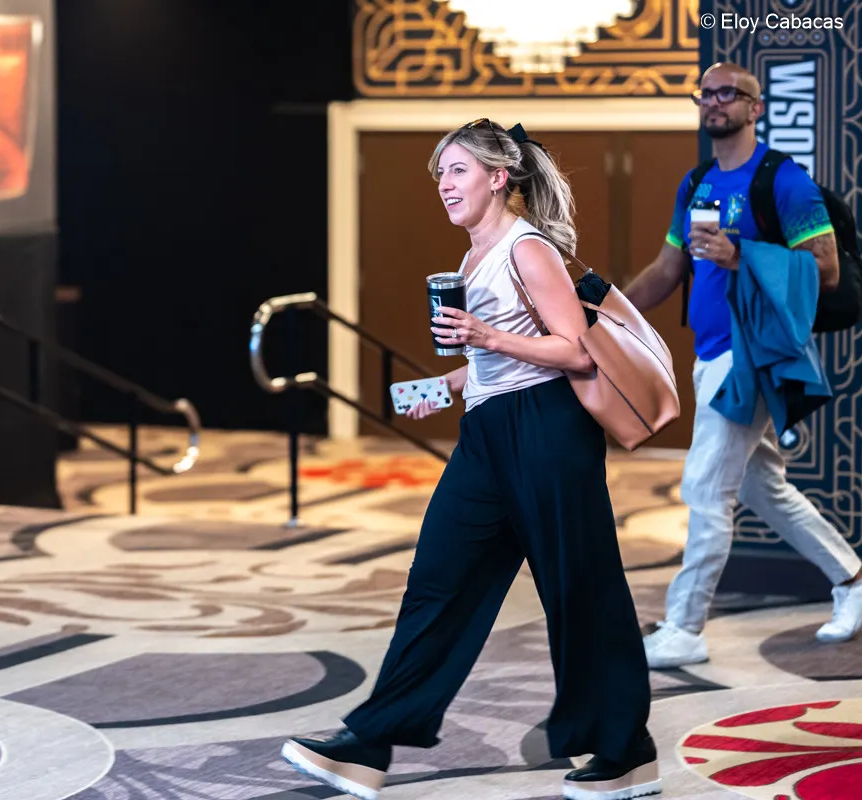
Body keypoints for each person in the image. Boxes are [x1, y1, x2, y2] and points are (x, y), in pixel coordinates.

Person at [278, 119, 659, 800]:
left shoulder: (527, 248)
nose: (445, 185)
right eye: (440, 174)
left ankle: (626, 751)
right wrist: (445, 384)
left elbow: (576, 352)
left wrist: (484, 336)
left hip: (548, 431)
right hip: (487, 435)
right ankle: (368, 744)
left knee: (578, 588)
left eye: (457, 170)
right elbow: (497, 357)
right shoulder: (472, 257)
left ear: (497, 177)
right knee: (438, 583)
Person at [622, 62, 862, 670]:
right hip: (709, 355)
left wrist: (740, 255)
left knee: (705, 486)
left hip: (750, 354)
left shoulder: (784, 180)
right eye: (705, 93)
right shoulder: (696, 182)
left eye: (728, 93)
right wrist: (605, 308)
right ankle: (853, 579)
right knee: (762, 487)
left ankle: (685, 626)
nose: (714, 102)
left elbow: (826, 268)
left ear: (756, 108)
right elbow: (668, 270)